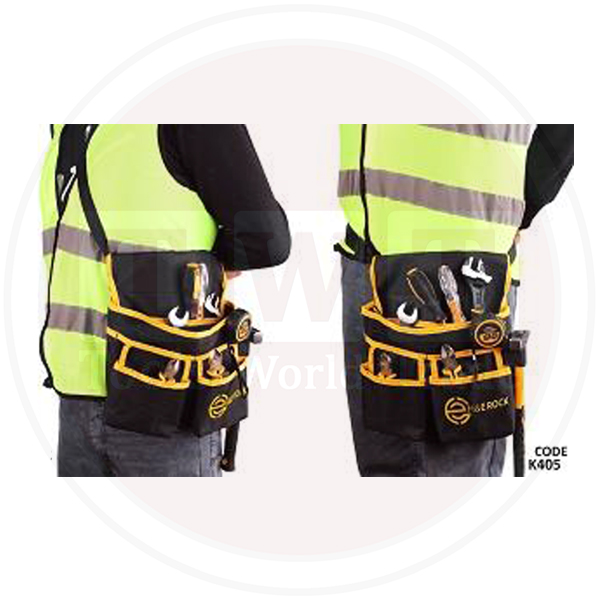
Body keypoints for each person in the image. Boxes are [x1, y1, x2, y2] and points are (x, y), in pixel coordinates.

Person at [40, 125, 291, 477]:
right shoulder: (67, 127)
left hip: (164, 397)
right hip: (75, 396)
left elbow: (266, 238)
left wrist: (206, 266)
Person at [337, 124, 574, 477]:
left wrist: (521, 205)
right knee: (384, 465)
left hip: (463, 267)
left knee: (454, 476)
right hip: (365, 259)